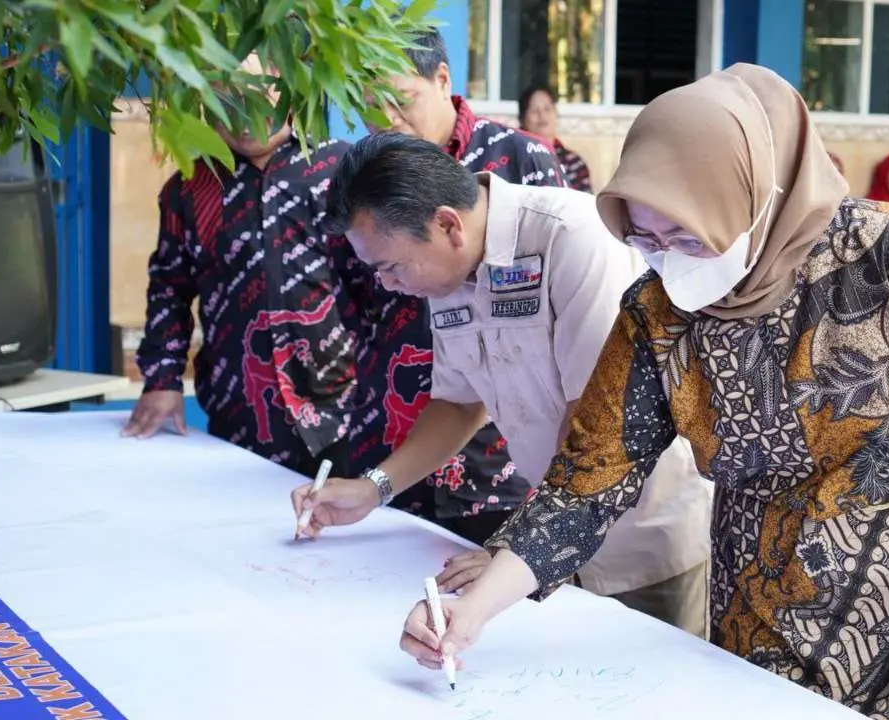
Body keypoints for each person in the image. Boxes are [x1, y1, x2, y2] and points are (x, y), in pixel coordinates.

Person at [398, 64, 889, 719]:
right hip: (763, 603)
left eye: (687, 235)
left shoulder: (883, 252)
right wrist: (473, 612)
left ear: (752, 196)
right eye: (649, 241)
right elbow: (586, 482)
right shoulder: (655, 314)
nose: (671, 263)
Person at [296, 132, 713, 635]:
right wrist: (373, 489)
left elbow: (594, 423)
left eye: (390, 266)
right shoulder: (447, 270)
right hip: (548, 539)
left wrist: (514, 546)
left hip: (639, 543)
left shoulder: (569, 236)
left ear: (448, 224)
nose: (386, 284)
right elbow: (457, 405)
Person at [320, 28, 565, 544]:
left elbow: (555, 322)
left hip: (498, 460)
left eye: (398, 99)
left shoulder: (520, 163)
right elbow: (352, 304)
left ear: (442, 78)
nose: (383, 118)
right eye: (366, 106)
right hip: (392, 437)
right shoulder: (358, 181)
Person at [122, 54, 356, 477]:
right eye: (229, 102)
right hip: (241, 414)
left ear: (286, 90)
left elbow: (385, 289)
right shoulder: (191, 189)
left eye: (257, 97)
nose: (245, 118)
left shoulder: (342, 172)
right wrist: (162, 379)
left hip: (346, 412)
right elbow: (169, 289)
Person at [518, 85, 592, 192]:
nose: (542, 115)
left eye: (547, 109)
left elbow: (586, 204)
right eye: (534, 110)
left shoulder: (573, 162)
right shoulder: (516, 159)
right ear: (522, 119)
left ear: (556, 113)